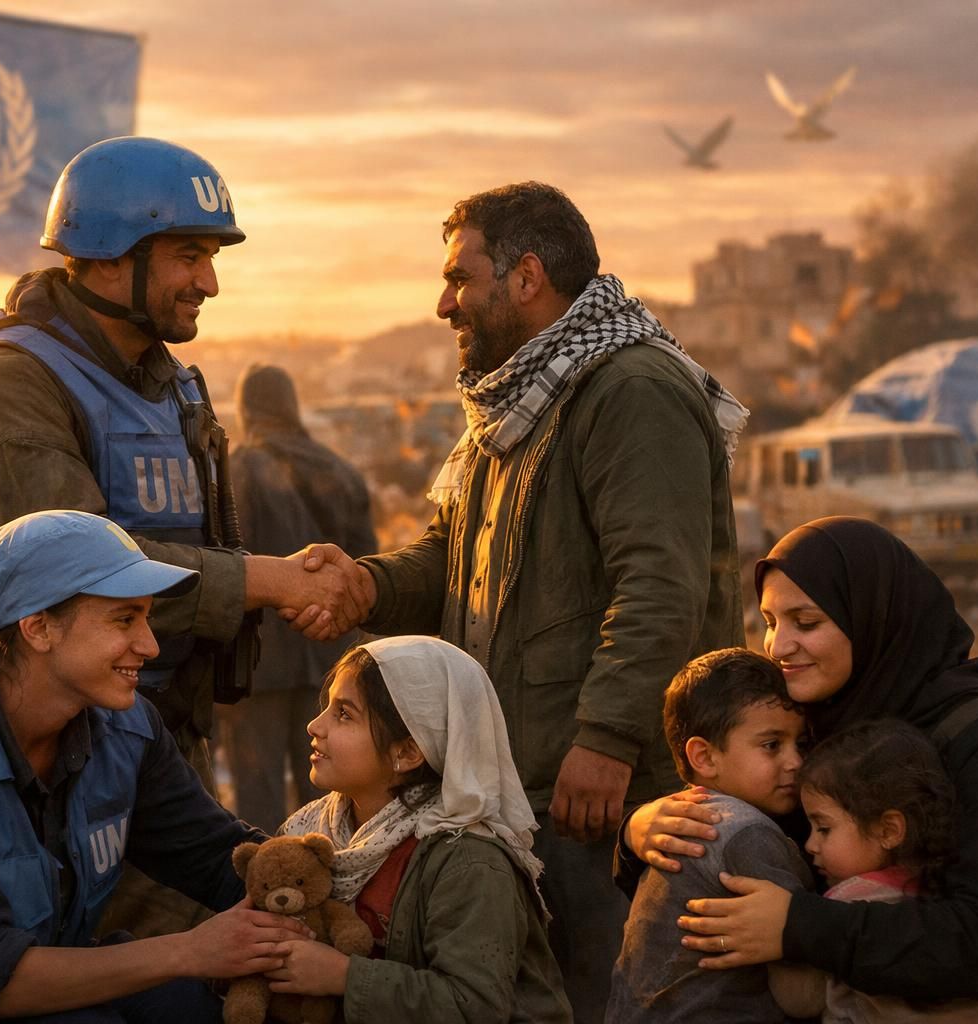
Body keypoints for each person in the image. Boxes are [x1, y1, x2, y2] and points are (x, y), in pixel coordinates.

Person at [308, 180, 749, 1020]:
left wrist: (608, 736)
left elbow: (661, 584)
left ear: (526, 277)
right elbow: (455, 559)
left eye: (460, 278)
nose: (445, 303)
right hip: (521, 776)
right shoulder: (513, 406)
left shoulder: (628, 391)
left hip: (598, 783)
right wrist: (364, 584)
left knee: (607, 994)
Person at [0, 137, 369, 775]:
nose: (208, 282)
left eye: (209, 258)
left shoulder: (169, 385)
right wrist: (278, 581)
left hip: (153, 738)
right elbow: (78, 571)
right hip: (17, 756)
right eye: (189, 256)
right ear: (108, 256)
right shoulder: (7, 382)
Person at [0, 510, 311, 1022]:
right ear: (38, 628)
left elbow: (215, 857)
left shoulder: (125, 727)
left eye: (146, 617)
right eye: (124, 620)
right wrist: (188, 950)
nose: (150, 645)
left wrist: (324, 898)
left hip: (55, 988)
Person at [624, 516, 978, 1022]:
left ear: (871, 615)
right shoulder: (832, 724)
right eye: (771, 622)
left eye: (807, 622)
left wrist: (801, 927)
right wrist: (642, 830)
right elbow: (767, 834)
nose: (778, 646)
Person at [271, 636, 570, 1023]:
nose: (315, 725)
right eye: (326, 707)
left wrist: (344, 977)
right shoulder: (313, 832)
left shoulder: (468, 861)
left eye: (344, 715)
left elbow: (472, 1006)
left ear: (408, 752)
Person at [607, 647, 811, 1022]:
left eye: (801, 744)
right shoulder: (746, 835)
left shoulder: (681, 818)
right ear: (704, 757)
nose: (796, 761)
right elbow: (801, 994)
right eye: (772, 745)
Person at [768, 718, 978, 1023]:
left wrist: (777, 937)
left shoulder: (849, 903)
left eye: (823, 828)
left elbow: (801, 999)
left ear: (888, 830)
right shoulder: (949, 891)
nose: (810, 844)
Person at [221, 363, 377, 831]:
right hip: (335, 665)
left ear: (247, 410)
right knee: (332, 797)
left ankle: (266, 895)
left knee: (259, 802)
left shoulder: (235, 472)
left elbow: (227, 570)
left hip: (255, 667)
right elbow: (371, 579)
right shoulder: (344, 474)